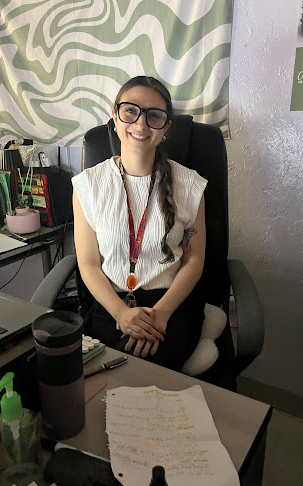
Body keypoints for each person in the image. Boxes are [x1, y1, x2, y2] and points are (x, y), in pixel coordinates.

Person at [72, 76, 207, 372]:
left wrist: (160, 315)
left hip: (171, 303)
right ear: (115, 116)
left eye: (154, 116)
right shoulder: (88, 185)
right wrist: (121, 314)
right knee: (113, 369)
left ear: (166, 128)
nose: (141, 124)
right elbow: (88, 264)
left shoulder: (190, 184)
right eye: (130, 111)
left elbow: (194, 260)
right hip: (112, 302)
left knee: (155, 369)